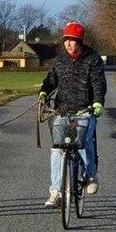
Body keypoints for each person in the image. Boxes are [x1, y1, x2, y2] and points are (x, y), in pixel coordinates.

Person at [38, 21, 106, 207]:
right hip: (62, 110)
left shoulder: (93, 60)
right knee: (57, 149)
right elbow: (51, 80)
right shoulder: (60, 60)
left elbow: (98, 83)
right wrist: (44, 91)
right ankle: (56, 192)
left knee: (84, 142)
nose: (69, 44)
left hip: (85, 110)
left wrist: (98, 102)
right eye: (66, 40)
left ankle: (90, 176)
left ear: (80, 41)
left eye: (73, 40)